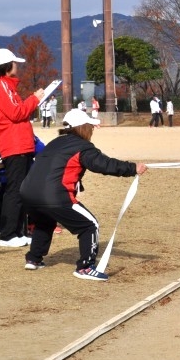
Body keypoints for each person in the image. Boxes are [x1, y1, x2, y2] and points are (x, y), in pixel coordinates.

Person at [20, 109, 148, 280]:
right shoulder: (83, 147)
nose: (92, 129)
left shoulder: (55, 143)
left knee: (44, 222)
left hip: (28, 193)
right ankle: (85, 267)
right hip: (54, 195)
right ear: (83, 127)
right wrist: (132, 168)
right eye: (90, 126)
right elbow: (103, 164)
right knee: (90, 225)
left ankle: (33, 259)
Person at [0, 48, 45, 247]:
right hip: (14, 146)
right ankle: (8, 235)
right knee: (15, 190)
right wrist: (35, 98)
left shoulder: (7, 86)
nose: (17, 66)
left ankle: (17, 232)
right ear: (7, 66)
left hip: (20, 145)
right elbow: (16, 112)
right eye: (14, 63)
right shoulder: (2, 86)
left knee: (22, 190)